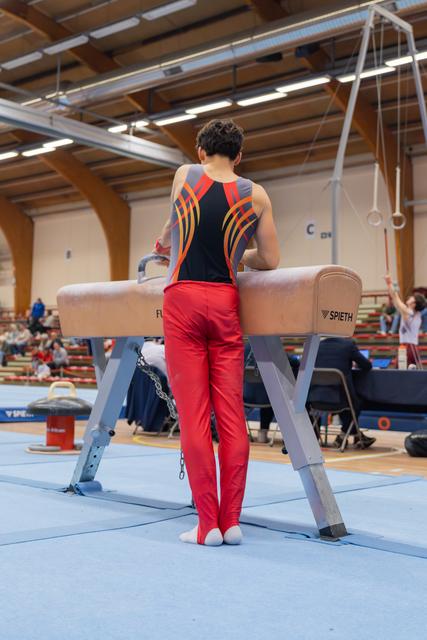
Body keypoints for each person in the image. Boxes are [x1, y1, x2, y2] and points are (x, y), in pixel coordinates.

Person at [154, 118, 280, 546]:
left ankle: (206, 523)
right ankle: (231, 521)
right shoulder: (256, 194)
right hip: (226, 302)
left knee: (193, 416)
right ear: (240, 156)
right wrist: (239, 257)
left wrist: (161, 245)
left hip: (183, 301)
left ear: (200, 151)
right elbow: (271, 260)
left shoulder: (185, 175)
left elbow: (174, 232)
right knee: (231, 418)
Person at [310, 337, 376, 449]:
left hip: (315, 400)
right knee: (356, 402)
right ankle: (343, 436)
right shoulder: (348, 345)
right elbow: (367, 365)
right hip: (339, 401)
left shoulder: (315, 346)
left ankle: (357, 435)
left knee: (347, 399)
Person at [385, 275, 426, 368]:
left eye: (412, 298)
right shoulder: (414, 313)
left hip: (409, 348)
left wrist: (389, 283)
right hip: (409, 348)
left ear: (414, 304)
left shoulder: (408, 312)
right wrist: (390, 285)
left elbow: (396, 298)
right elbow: (395, 299)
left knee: (402, 375)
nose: (410, 297)